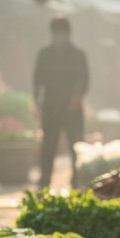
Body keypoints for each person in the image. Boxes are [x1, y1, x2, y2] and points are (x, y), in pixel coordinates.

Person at [33, 16, 90, 189]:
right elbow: (37, 80)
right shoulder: (44, 54)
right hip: (50, 106)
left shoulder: (78, 55)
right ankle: (44, 182)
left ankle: (77, 181)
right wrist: (38, 103)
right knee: (48, 146)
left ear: (68, 33)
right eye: (56, 33)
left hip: (72, 108)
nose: (59, 36)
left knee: (76, 146)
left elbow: (85, 79)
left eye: (62, 33)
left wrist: (78, 95)